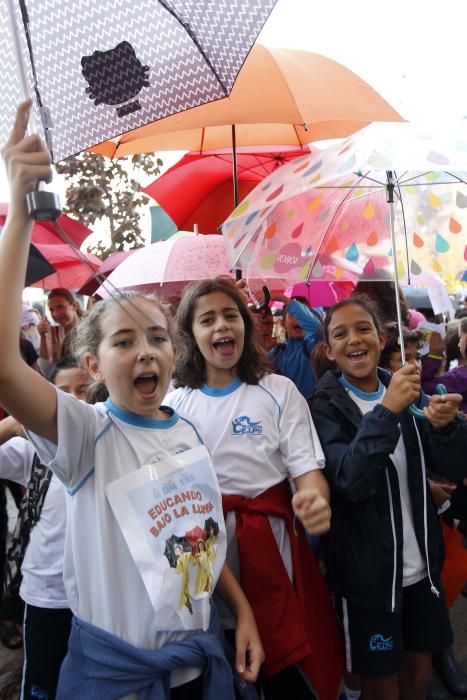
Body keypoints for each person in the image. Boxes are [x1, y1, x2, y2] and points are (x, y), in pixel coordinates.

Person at [0, 101, 263, 700]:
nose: (145, 351)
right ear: (93, 366)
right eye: (124, 341)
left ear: (174, 356)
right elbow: (3, 367)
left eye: (156, 338)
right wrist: (19, 214)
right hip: (117, 683)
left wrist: (240, 611)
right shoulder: (87, 435)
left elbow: (202, 542)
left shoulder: (189, 433)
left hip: (197, 671)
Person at [166, 277, 343, 700]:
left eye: (231, 315)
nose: (221, 326)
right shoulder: (175, 403)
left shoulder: (278, 391)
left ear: (247, 325)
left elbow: (307, 470)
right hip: (201, 557)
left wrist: (315, 499)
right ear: (191, 335)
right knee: (220, 665)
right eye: (207, 319)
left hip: (274, 552)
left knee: (284, 666)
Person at [307, 296, 467, 700]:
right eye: (339, 333)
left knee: (418, 669)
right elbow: (350, 481)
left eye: (363, 328)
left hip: (423, 569)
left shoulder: (409, 390)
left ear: (381, 337)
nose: (353, 339)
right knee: (381, 682)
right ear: (329, 350)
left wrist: (445, 427)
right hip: (368, 579)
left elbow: (449, 466)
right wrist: (386, 410)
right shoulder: (323, 407)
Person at [0, 357, 92, 700]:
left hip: (98, 598)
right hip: (47, 595)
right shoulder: (31, 450)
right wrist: (11, 426)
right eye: (61, 393)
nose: (73, 401)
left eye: (83, 390)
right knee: (43, 684)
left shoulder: (109, 444)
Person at [268, 292, 323, 399]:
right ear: (283, 323)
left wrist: (282, 298)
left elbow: (316, 329)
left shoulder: (313, 346)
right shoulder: (277, 352)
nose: (298, 320)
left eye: (303, 315)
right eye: (293, 315)